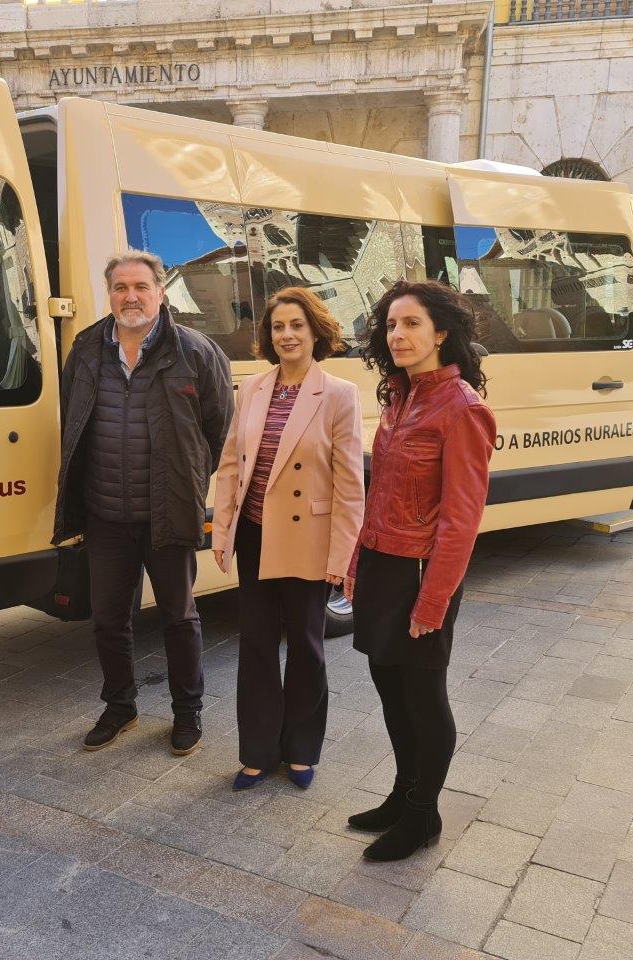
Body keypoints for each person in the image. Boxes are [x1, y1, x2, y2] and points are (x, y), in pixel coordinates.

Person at [53, 250, 233, 756]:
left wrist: (187, 479)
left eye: (140, 287)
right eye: (120, 288)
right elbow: (73, 420)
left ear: (160, 291)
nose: (130, 297)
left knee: (179, 617)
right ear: (109, 293)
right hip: (106, 516)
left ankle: (187, 713)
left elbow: (220, 431)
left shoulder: (196, 351)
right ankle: (120, 707)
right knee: (109, 619)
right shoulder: (87, 349)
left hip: (168, 514)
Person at [344, 280, 496, 862]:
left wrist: (433, 601)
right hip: (383, 564)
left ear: (441, 333)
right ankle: (402, 794)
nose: (398, 335)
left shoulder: (462, 409)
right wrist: (357, 560)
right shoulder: (401, 397)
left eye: (411, 324)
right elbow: (379, 491)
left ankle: (423, 814)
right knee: (390, 688)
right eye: (391, 325)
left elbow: (461, 520)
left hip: (420, 573)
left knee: (423, 697)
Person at [210, 287, 363, 792]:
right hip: (256, 535)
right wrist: (223, 531)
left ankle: (300, 751)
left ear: (316, 332)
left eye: (297, 325)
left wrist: (342, 554)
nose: (287, 335)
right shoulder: (252, 389)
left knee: (306, 645)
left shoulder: (338, 393)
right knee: (255, 644)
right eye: (278, 327)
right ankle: (258, 752)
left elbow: (350, 484)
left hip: (309, 537)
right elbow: (231, 466)